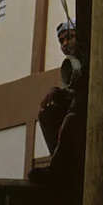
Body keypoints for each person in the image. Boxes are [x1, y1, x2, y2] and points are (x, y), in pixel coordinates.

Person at [37, 20, 77, 155]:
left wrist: (70, 115)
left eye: (70, 37)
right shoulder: (69, 65)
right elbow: (72, 93)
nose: (65, 43)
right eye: (61, 41)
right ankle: (57, 158)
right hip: (75, 108)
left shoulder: (89, 58)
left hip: (86, 109)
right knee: (46, 113)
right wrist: (56, 91)